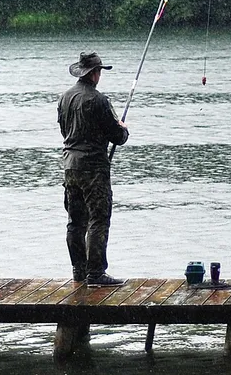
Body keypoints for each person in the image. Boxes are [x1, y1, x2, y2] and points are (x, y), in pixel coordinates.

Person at [58, 51, 129, 286]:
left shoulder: (64, 98)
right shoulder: (99, 100)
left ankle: (79, 270)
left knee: (75, 221)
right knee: (98, 219)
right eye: (99, 71)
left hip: (70, 167)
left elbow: (65, 132)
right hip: (93, 169)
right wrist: (123, 127)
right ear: (95, 74)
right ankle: (96, 273)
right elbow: (118, 136)